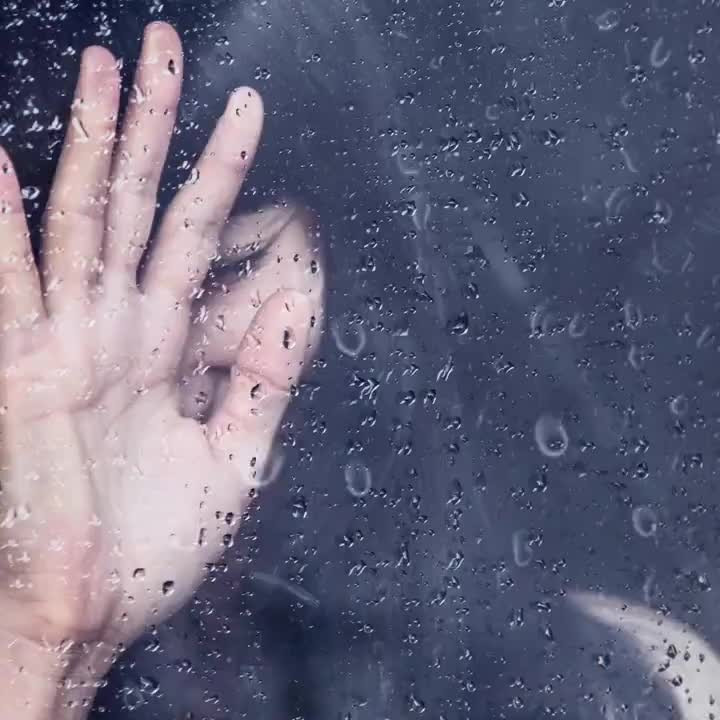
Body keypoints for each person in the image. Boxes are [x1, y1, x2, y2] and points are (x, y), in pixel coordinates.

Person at [0, 21, 323, 718]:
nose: (261, 350)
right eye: (218, 275)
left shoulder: (339, 665)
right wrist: (38, 645)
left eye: (298, 341)